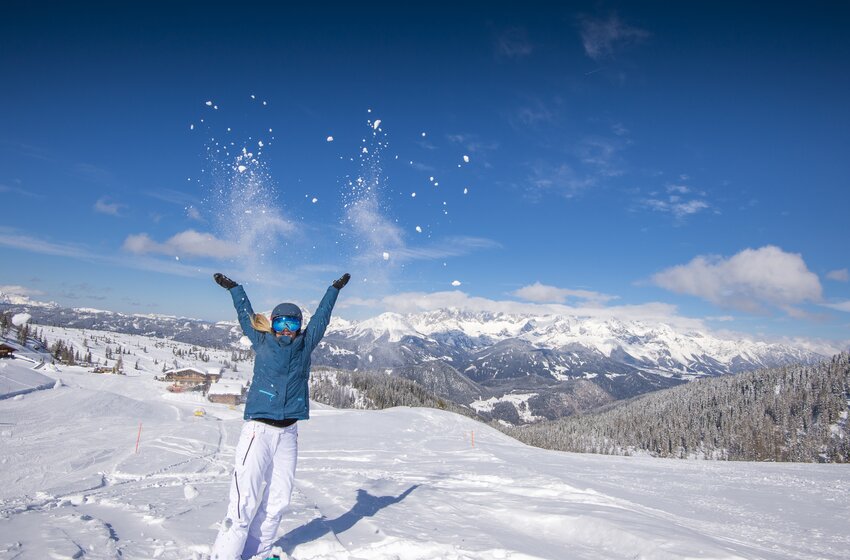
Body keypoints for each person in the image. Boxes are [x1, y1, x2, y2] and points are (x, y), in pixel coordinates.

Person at [210, 271, 350, 560]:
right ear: (272, 325)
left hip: (289, 433)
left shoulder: (305, 344)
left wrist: (333, 290)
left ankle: (256, 554)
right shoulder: (262, 341)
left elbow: (322, 317)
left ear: (299, 327)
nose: (287, 330)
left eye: (293, 323)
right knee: (243, 504)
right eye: (281, 323)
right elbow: (244, 313)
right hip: (258, 431)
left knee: (277, 502)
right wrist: (236, 289)